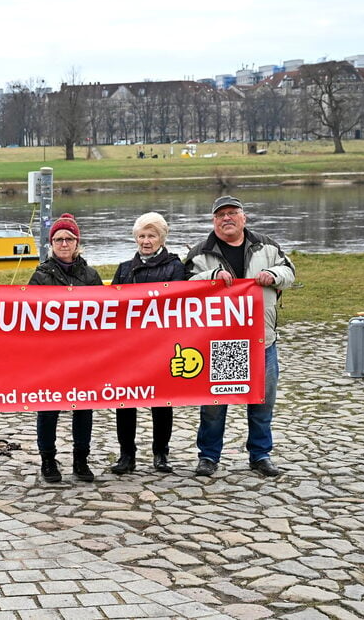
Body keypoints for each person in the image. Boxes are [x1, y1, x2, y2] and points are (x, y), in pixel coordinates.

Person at [184, 195, 295, 478]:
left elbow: (289, 272)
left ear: (243, 217)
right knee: (214, 404)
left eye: (233, 213)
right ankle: (208, 456)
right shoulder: (200, 253)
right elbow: (183, 285)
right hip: (221, 341)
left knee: (261, 401)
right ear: (214, 221)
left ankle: (260, 455)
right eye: (221, 215)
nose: (227, 218)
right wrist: (211, 276)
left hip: (261, 339)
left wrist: (274, 274)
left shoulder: (267, 246)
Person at [108, 212, 187, 475]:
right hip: (130, 347)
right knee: (125, 401)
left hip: (162, 345)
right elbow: (113, 309)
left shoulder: (176, 267)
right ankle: (126, 454)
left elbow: (178, 303)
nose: (146, 241)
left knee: (162, 401)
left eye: (151, 235)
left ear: (162, 238)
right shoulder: (124, 269)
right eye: (141, 236)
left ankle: (161, 453)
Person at [28, 213, 103, 483]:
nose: (63, 243)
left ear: (76, 242)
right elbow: (29, 315)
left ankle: (81, 460)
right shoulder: (40, 275)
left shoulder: (91, 276)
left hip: (83, 354)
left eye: (68, 238)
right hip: (52, 355)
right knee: (48, 408)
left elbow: (103, 314)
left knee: (83, 408)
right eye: (58, 239)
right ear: (51, 243)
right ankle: (48, 459)